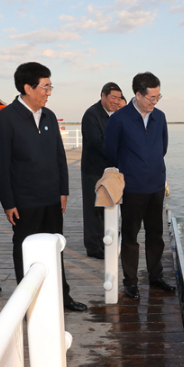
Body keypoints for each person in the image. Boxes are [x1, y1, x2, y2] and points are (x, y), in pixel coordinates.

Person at [0, 62, 86, 312]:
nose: (49, 92)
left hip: (51, 197)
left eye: (50, 87)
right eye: (45, 87)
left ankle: (62, 297)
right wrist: (8, 202)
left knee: (55, 247)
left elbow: (60, 157)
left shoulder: (49, 116)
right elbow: (0, 165)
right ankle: (28, 304)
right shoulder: (5, 119)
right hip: (24, 200)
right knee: (25, 250)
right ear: (27, 88)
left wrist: (63, 190)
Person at [104, 72, 175, 299]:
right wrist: (132, 168)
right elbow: (110, 152)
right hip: (132, 188)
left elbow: (163, 148)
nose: (155, 102)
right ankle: (131, 282)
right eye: (151, 98)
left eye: (158, 97)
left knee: (156, 236)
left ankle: (156, 276)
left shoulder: (160, 117)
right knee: (131, 237)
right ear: (138, 94)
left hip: (156, 186)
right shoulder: (119, 119)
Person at [80, 82, 123, 259]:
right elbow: (96, 143)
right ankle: (93, 247)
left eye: (119, 98)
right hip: (93, 170)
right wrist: (119, 154)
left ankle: (106, 242)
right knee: (93, 209)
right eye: (113, 97)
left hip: (109, 171)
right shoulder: (92, 115)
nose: (116, 101)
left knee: (107, 207)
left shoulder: (114, 115)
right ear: (103, 96)